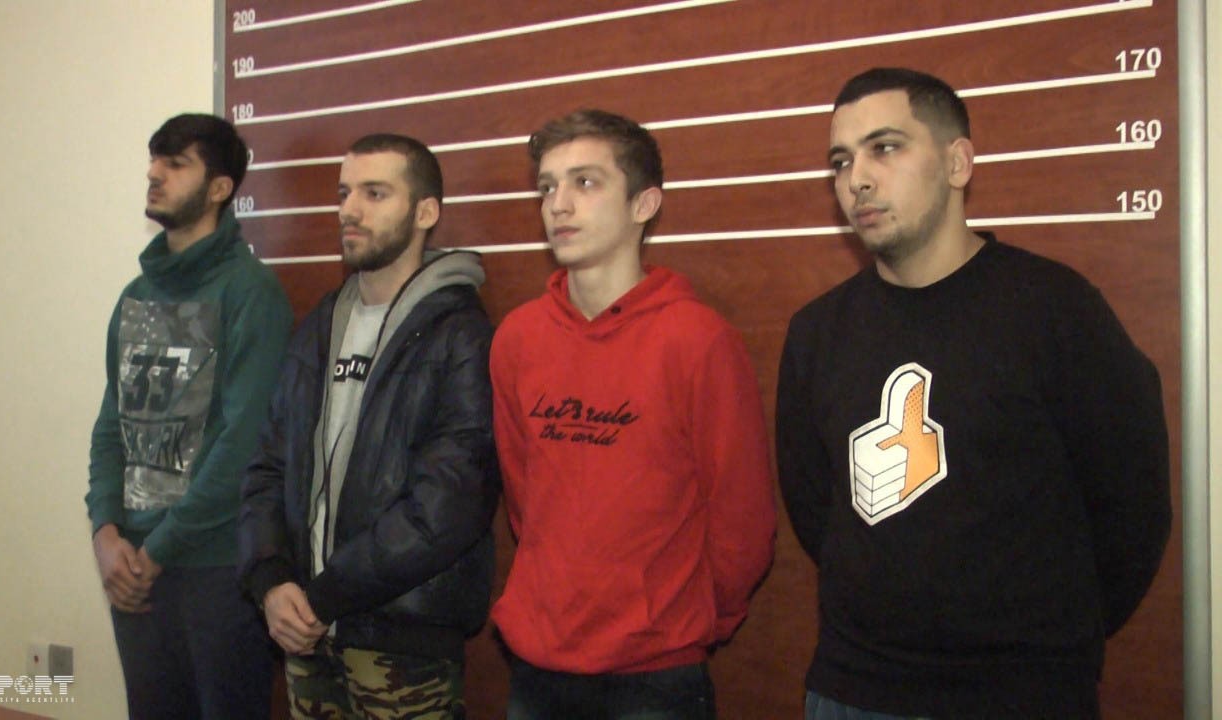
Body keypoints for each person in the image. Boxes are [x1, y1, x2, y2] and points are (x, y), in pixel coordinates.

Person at [775, 67, 1171, 720]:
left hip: (1021, 695)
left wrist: (1045, 646)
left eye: (885, 148)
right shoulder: (817, 332)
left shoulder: (1054, 310)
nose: (857, 179)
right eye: (841, 162)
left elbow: (1131, 504)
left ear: (958, 162)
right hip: (854, 690)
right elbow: (816, 509)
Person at [490, 109, 776, 719]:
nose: (559, 204)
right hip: (537, 668)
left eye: (585, 182)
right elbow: (525, 499)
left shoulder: (698, 340)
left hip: (655, 677)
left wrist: (689, 620)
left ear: (644, 204)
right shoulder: (517, 338)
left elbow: (742, 520)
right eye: (548, 186)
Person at [237, 133, 499, 719]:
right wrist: (270, 579)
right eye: (344, 193)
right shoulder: (319, 327)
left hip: (401, 644)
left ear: (425, 212)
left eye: (375, 193)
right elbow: (267, 468)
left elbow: (447, 506)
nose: (349, 210)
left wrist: (325, 594)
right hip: (305, 635)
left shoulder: (460, 335)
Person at [86, 113, 293, 718]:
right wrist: (105, 533)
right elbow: (112, 426)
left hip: (215, 568)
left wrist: (158, 550)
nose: (155, 174)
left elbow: (243, 443)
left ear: (220, 187)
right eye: (154, 160)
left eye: (176, 164)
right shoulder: (137, 296)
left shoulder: (250, 293)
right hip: (135, 568)